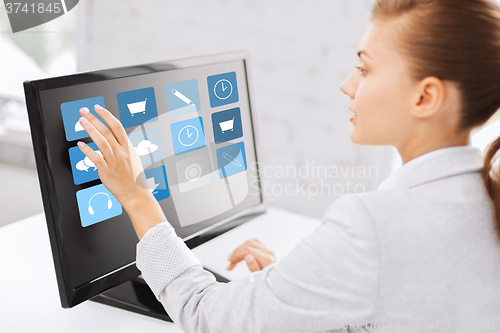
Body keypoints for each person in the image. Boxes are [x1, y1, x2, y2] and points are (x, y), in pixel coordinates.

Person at [76, 0, 500, 331]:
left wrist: (135, 193)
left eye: (365, 68)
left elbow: (208, 318)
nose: (347, 84)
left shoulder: (376, 226)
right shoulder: (484, 195)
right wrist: (303, 292)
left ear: (425, 97)